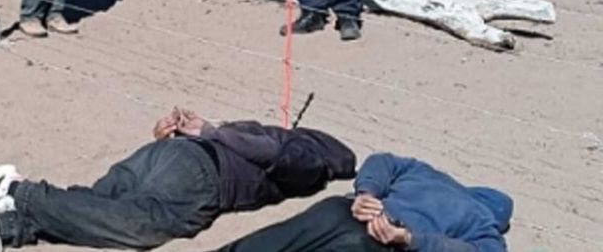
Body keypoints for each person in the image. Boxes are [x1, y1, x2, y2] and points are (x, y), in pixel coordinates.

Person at [0, 108, 356, 252]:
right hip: (201, 176)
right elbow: (279, 156)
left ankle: (2, 226)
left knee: (96, 210)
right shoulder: (312, 155)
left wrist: (174, 137)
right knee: (144, 226)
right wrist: (211, 132)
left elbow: (255, 144)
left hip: (165, 155)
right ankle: (17, 192)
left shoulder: (259, 128)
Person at [212, 152, 513, 252]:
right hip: (380, 242)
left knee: (268, 243)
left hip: (340, 211)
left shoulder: (430, 174)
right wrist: (411, 239)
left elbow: (382, 161)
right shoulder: (485, 224)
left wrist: (366, 193)